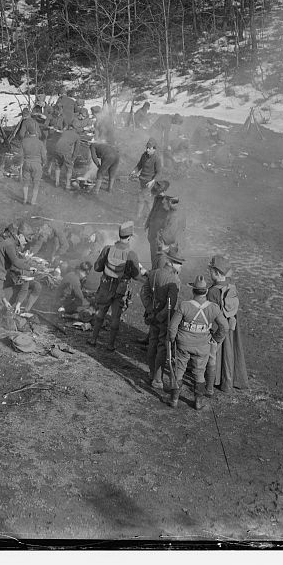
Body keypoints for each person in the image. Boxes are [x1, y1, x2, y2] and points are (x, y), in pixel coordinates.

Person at [167, 275, 228, 410]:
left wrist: (172, 339)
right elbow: (225, 327)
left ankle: (174, 400)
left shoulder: (184, 305)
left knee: (179, 371)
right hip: (203, 346)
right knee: (199, 373)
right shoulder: (214, 308)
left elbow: (172, 327)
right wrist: (216, 339)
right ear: (206, 291)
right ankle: (198, 402)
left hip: (183, 343)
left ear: (193, 290)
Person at [90, 221, 145, 350]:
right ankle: (110, 345)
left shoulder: (107, 249)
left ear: (119, 235)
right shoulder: (131, 254)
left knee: (100, 313)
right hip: (120, 289)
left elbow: (97, 268)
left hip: (105, 286)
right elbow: (136, 276)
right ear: (130, 237)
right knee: (115, 317)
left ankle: (93, 339)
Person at [141, 247, 183, 389]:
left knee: (152, 343)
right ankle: (157, 379)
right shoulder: (174, 280)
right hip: (164, 319)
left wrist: (149, 310)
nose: (180, 266)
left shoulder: (153, 273)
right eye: (179, 263)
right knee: (161, 347)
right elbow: (172, 304)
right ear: (171, 263)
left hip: (152, 315)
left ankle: (151, 373)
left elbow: (144, 293)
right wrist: (160, 316)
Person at [205, 255, 248, 394]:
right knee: (229, 353)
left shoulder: (213, 291)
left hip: (218, 328)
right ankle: (228, 383)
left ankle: (215, 380)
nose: (209, 273)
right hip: (231, 327)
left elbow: (211, 315)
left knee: (216, 353)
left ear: (217, 273)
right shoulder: (231, 287)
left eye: (210, 271)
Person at [0, 223, 31, 340]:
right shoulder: (9, 244)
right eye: (26, 239)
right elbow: (15, 262)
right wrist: (30, 267)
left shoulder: (9, 243)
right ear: (19, 235)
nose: (25, 242)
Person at [131, 139, 162, 221]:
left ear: (154, 149)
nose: (147, 149)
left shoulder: (157, 159)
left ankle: (138, 216)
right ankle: (150, 216)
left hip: (150, 182)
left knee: (141, 197)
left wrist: (153, 181)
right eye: (146, 147)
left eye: (149, 148)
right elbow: (139, 165)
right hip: (142, 181)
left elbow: (159, 173)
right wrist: (134, 171)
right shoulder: (144, 155)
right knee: (148, 200)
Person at [20, 132, 47, 206]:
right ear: (36, 134)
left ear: (29, 133)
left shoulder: (24, 141)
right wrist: (44, 162)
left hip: (26, 164)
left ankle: (25, 199)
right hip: (37, 164)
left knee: (25, 182)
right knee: (36, 183)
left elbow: (21, 154)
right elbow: (44, 155)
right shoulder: (40, 143)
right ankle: (33, 201)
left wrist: (21, 163)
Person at [50, 123, 80, 189]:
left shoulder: (64, 132)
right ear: (75, 129)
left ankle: (56, 182)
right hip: (65, 151)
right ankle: (68, 186)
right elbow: (76, 149)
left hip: (57, 149)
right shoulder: (77, 136)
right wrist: (73, 159)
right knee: (69, 168)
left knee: (58, 165)